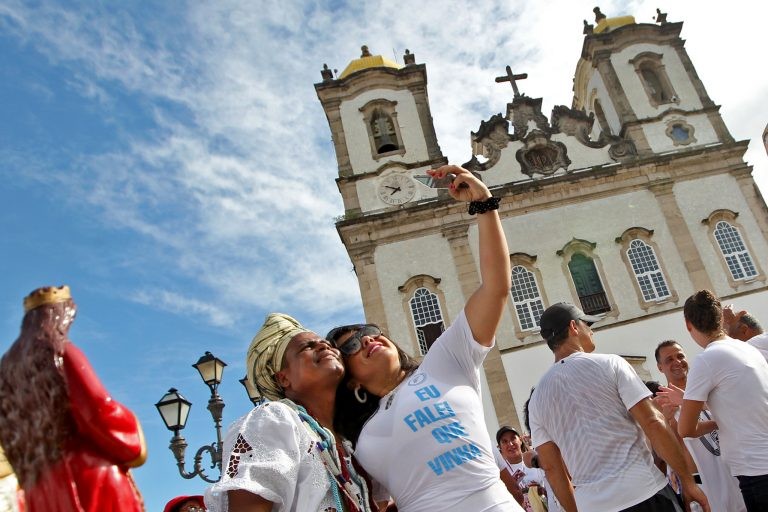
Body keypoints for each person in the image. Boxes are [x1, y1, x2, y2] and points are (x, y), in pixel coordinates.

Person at [327, 165, 522, 511]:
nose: (368, 340)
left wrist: (484, 205)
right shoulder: (357, 439)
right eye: (352, 346)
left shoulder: (444, 361)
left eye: (370, 332)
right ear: (352, 381)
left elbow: (495, 288)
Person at [528, 302, 709, 512]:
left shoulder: (537, 398)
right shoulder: (611, 364)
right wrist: (687, 481)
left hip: (593, 505)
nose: (591, 330)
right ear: (573, 327)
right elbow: (653, 422)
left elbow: (551, 468)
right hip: (644, 491)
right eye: (587, 323)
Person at [205, 312, 376, 512]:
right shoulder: (275, 418)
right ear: (283, 379)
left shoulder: (347, 442)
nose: (324, 346)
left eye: (327, 344)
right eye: (308, 347)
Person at [0, 286, 146, 512]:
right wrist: (132, 426)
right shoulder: (61, 352)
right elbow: (99, 411)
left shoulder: (7, 371)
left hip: (41, 486)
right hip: (89, 473)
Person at [676, 290, 768, 512]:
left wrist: (718, 421)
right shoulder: (747, 348)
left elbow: (686, 428)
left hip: (755, 470)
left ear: (689, 325)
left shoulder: (707, 359)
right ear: (721, 320)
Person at [654, 340, 746, 512]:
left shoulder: (709, 389)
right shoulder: (660, 404)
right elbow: (663, 450)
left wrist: (693, 402)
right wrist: (666, 422)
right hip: (703, 482)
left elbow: (734, 418)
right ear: (660, 367)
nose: (677, 362)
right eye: (669, 359)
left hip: (733, 471)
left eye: (680, 356)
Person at [497, 426, 560, 512]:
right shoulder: (500, 473)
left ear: (520, 440)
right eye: (505, 441)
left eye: (513, 438)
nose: (510, 444)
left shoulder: (534, 459)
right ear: (499, 447)